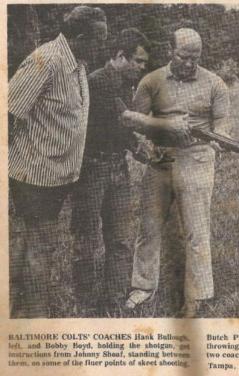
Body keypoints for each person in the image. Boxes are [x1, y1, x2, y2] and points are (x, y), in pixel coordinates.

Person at [8, 5, 107, 318]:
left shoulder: (77, 64)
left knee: (30, 242)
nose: (101, 46)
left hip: (56, 175)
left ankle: (20, 310)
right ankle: (35, 318)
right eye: (98, 39)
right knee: (39, 246)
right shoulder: (47, 59)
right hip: (33, 175)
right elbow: (8, 110)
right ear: (78, 36)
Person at [124, 28, 230, 318]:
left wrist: (220, 140)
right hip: (160, 160)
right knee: (149, 226)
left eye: (195, 58)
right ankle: (142, 287)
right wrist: (152, 141)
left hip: (197, 158)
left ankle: (199, 294)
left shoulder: (214, 83)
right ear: (171, 50)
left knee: (196, 229)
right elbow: (135, 121)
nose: (189, 63)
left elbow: (222, 123)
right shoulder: (152, 81)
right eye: (184, 56)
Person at [70, 28, 152, 316]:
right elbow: (118, 122)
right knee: (86, 238)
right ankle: (86, 303)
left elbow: (123, 129)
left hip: (118, 168)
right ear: (120, 56)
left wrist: (136, 149)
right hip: (91, 170)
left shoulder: (126, 85)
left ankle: (114, 300)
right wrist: (139, 142)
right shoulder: (96, 82)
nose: (142, 67)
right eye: (138, 61)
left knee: (120, 238)